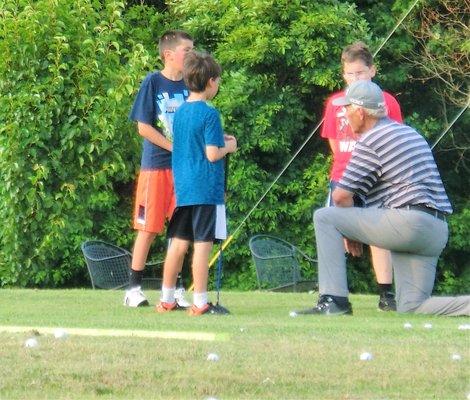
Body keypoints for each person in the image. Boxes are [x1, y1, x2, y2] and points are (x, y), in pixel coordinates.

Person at [297, 80, 470, 316]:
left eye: (347, 109)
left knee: (325, 217)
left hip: (408, 223)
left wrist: (351, 230)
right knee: (413, 307)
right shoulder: (408, 132)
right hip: (435, 229)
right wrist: (353, 226)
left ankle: (334, 301)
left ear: (360, 112)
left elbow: (340, 196)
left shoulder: (372, 138)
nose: (344, 114)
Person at [320, 41, 403, 311]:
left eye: (360, 73)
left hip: (376, 176)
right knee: (333, 230)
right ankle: (333, 295)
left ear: (372, 71)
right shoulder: (335, 103)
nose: (355, 78)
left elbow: (394, 138)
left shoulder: (387, 101)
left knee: (380, 235)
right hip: (344, 174)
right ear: (343, 75)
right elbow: (334, 142)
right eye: (350, 74)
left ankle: (385, 293)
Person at [155, 51, 237, 315]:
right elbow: (213, 153)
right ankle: (200, 301)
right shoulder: (209, 114)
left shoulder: (179, 113)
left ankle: (167, 298)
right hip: (206, 190)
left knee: (178, 245)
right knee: (203, 245)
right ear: (211, 82)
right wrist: (230, 146)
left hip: (184, 189)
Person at [124, 30, 194, 307]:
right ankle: (133, 289)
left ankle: (175, 289)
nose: (191, 55)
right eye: (186, 50)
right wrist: (173, 147)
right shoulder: (153, 82)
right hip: (156, 167)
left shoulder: (191, 85)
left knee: (180, 230)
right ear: (169, 54)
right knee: (149, 228)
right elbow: (143, 127)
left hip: (184, 168)